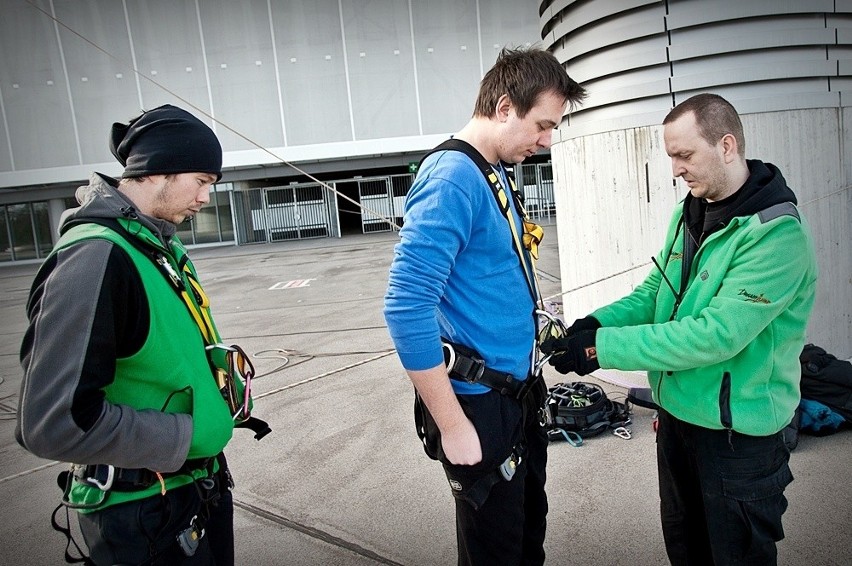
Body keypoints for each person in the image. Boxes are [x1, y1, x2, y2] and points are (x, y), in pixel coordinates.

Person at [542, 93, 818, 565]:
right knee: (686, 551)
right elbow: (656, 293)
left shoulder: (776, 236)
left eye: (684, 155)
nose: (674, 169)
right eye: (671, 155)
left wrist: (599, 350)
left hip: (737, 440)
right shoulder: (689, 212)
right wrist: (594, 324)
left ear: (727, 145)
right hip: (677, 423)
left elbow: (714, 335)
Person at [15, 104, 264, 565]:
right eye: (203, 181)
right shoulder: (97, 257)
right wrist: (185, 434)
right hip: (144, 512)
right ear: (157, 170)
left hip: (191, 492)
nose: (207, 198)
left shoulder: (153, 245)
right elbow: (53, 421)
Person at [383, 47, 586, 565]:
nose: (546, 140)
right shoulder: (453, 177)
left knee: (524, 543)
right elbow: (406, 307)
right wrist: (452, 424)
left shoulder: (490, 170)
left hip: (517, 398)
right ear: (502, 107)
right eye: (542, 125)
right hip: (480, 405)